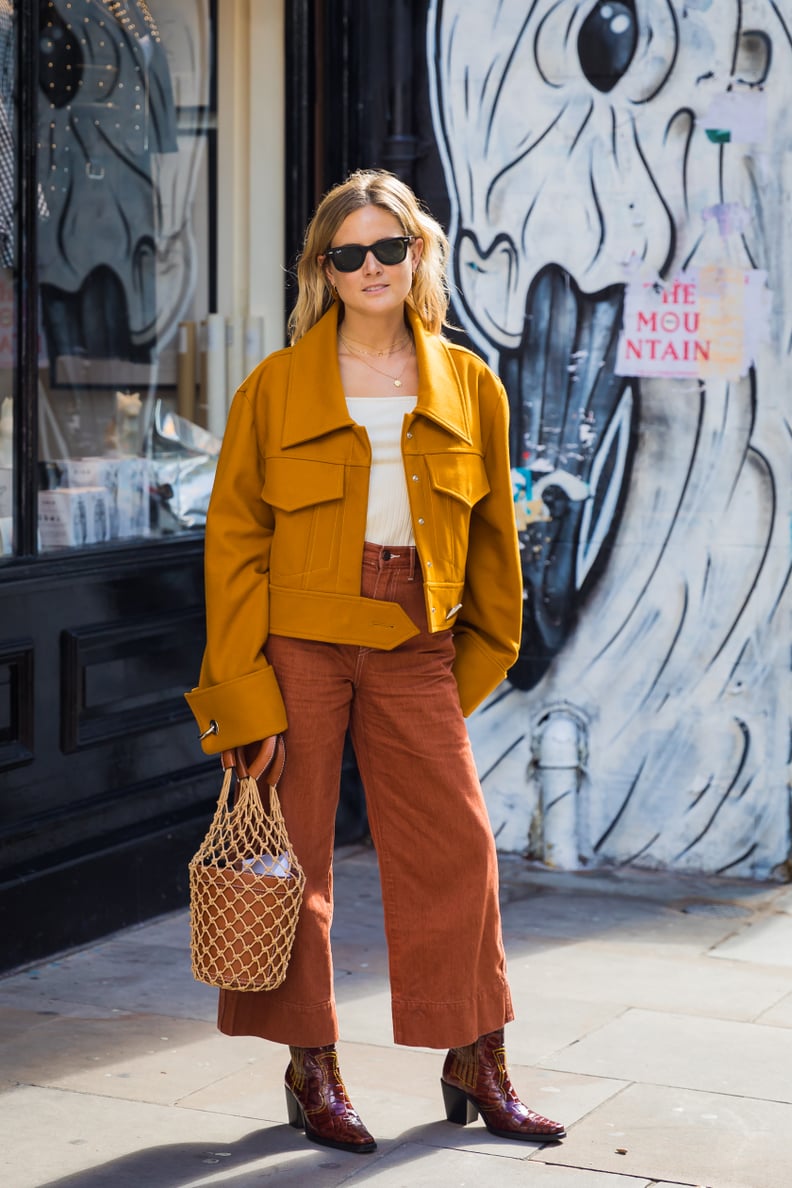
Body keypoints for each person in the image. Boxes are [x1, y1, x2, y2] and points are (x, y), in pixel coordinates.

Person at [185, 169, 566, 1154]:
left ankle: (475, 1056)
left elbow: (492, 543)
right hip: (299, 644)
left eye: (388, 248)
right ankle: (312, 1065)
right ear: (323, 269)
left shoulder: (471, 385)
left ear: (419, 255)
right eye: (347, 253)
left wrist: (474, 659)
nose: (370, 268)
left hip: (416, 645)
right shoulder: (273, 388)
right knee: (293, 859)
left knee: (460, 851)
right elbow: (234, 546)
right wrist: (242, 699)